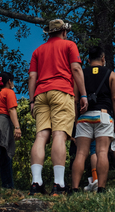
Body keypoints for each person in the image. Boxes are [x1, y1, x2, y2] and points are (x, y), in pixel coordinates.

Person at [28, 19, 88, 196]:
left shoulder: (38, 51)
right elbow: (76, 69)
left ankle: (36, 183)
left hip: (40, 94)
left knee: (41, 135)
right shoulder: (69, 45)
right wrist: (83, 95)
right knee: (59, 135)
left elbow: (32, 77)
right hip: (61, 91)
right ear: (63, 32)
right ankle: (59, 184)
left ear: (49, 33)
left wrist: (32, 101)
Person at [71, 46, 115, 194]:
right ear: (103, 58)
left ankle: (74, 188)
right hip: (103, 116)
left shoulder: (81, 75)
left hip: (84, 116)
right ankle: (101, 188)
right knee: (102, 152)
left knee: (81, 153)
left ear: (88, 60)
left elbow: (75, 99)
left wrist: (75, 121)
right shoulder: (111, 74)